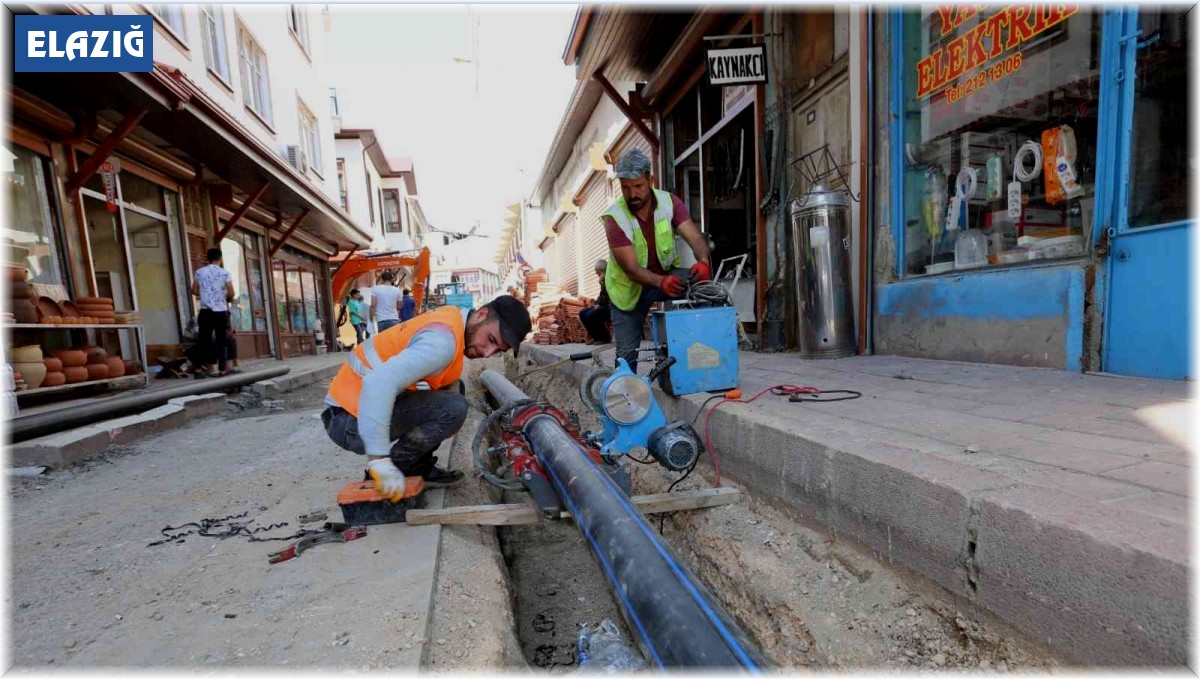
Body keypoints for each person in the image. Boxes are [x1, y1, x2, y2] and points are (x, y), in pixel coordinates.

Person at [322, 296, 533, 498]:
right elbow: (377, 383)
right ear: (481, 314)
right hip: (348, 421)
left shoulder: (453, 319)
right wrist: (379, 461)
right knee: (452, 408)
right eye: (491, 340)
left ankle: (417, 466)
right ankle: (398, 469)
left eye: (497, 350)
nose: (488, 353)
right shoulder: (443, 342)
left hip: (349, 408)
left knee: (452, 391)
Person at [602, 148, 711, 372]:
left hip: (664, 276)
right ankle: (625, 396)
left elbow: (694, 236)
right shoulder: (615, 217)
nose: (632, 194)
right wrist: (661, 282)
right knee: (626, 358)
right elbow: (632, 269)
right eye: (626, 188)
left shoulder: (669, 202)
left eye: (638, 186)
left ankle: (703, 357)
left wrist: (703, 262)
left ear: (650, 180)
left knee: (706, 290)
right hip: (628, 290)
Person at [190, 247, 235, 378]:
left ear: (207, 258)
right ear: (220, 259)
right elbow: (231, 292)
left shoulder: (199, 272)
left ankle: (198, 369)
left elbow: (193, 290)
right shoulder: (225, 273)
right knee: (222, 340)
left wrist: (204, 295)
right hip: (221, 311)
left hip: (205, 311)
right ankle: (222, 370)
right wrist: (227, 298)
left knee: (203, 340)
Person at [579, 259, 612, 345]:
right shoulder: (603, 279)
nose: (597, 275)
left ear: (601, 271)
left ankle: (604, 337)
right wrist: (597, 303)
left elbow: (606, 298)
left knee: (592, 314)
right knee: (582, 313)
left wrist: (602, 282)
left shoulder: (609, 278)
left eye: (597, 273)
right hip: (604, 305)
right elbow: (602, 296)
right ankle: (596, 337)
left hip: (611, 307)